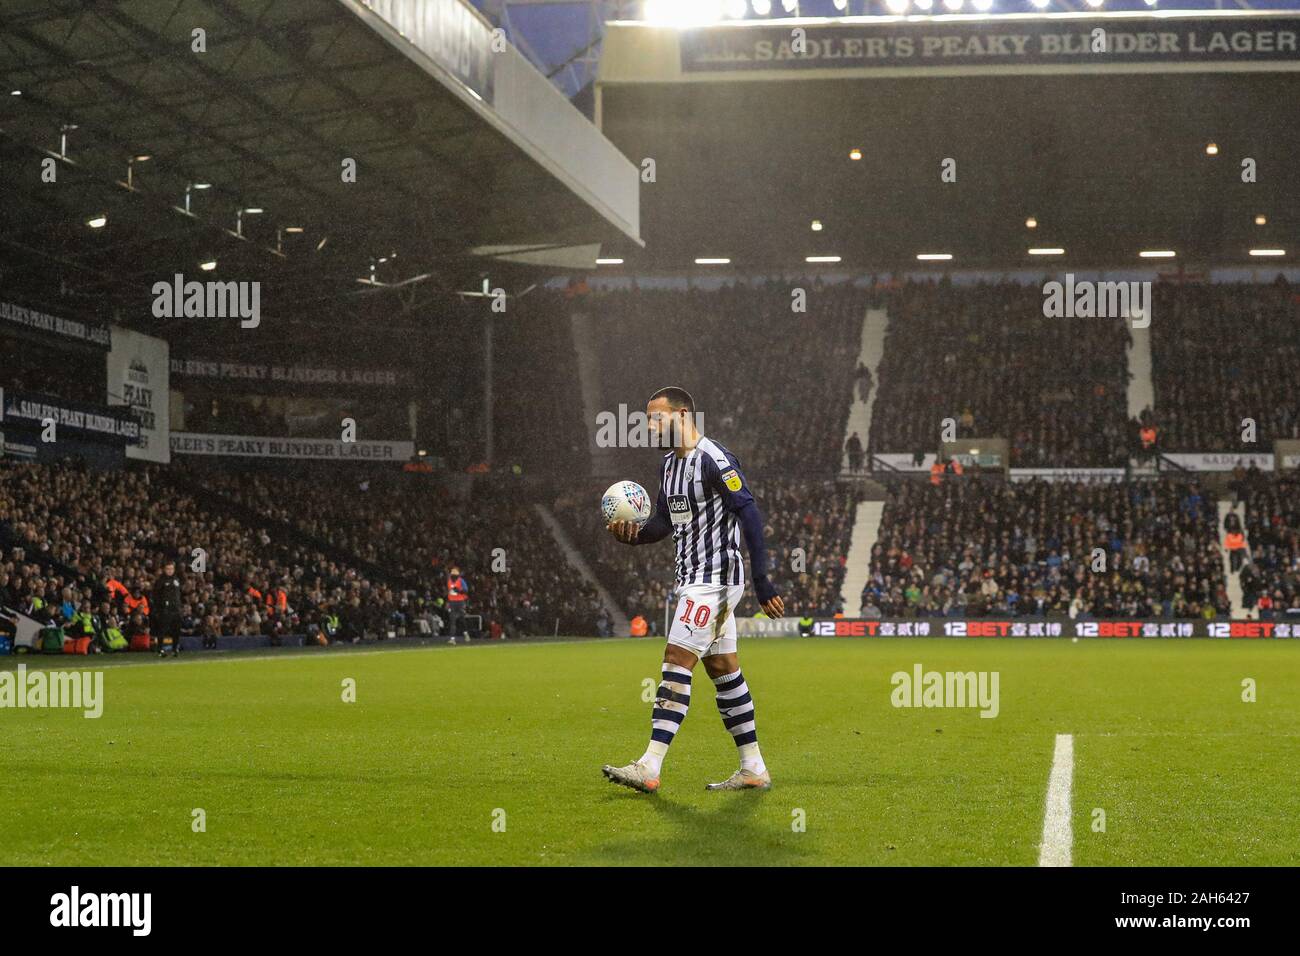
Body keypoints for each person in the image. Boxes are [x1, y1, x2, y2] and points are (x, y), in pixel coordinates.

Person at [602, 386, 784, 794]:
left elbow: (749, 513)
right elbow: (666, 524)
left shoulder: (714, 459)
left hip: (716, 580)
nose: (649, 426)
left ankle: (649, 765)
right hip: (692, 580)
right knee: (723, 671)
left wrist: (762, 579)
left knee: (675, 658)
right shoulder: (668, 466)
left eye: (656, 418)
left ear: (682, 415)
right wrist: (632, 536)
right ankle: (753, 767)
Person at [151, 560, 184, 657]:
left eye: (171, 569)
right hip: (165, 609)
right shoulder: (161, 581)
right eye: (168, 569)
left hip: (176, 609)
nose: (170, 571)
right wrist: (159, 608)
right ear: (164, 570)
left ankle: (175, 648)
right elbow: (156, 595)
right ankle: (160, 649)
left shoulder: (177, 580)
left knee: (176, 630)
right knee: (162, 630)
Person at [446, 566, 470, 644]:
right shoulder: (449, 581)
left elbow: (466, 590)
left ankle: (465, 633)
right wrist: (448, 602)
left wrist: (459, 590)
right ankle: (452, 639)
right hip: (452, 602)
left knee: (461, 619)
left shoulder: (461, 581)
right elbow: (449, 592)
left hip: (460, 602)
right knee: (452, 620)